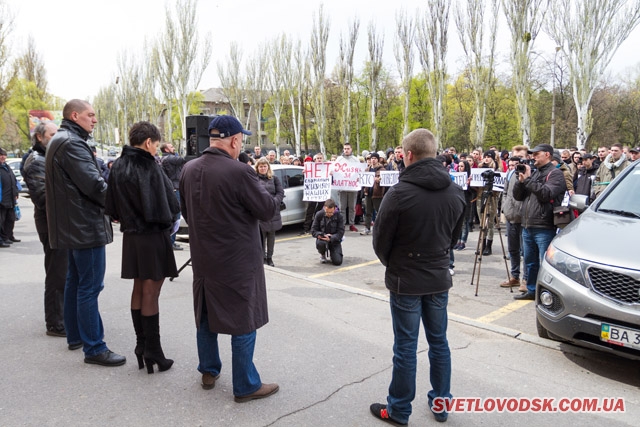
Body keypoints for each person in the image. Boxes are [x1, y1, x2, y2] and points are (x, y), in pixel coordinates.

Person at [180, 114, 279, 401]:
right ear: (235, 140)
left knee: (206, 316)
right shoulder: (239, 172)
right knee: (243, 320)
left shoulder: (189, 168)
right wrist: (272, 194)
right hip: (237, 262)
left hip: (204, 258)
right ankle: (246, 385)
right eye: (241, 140)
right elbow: (266, 210)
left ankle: (209, 370)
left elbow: (186, 212)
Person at [370, 129, 465, 425]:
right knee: (439, 342)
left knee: (406, 348)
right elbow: (455, 237)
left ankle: (399, 409)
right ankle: (440, 402)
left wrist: (395, 264)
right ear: (433, 154)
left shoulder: (399, 193)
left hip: (407, 279)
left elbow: (380, 241)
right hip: (436, 275)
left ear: (408, 155)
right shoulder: (455, 192)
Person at [45, 99, 125, 366]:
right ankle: (94, 348)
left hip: (73, 225)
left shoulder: (62, 139)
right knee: (89, 287)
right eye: (91, 115)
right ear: (75, 115)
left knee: (76, 282)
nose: (95, 119)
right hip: (84, 226)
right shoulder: (72, 143)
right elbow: (94, 185)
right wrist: (121, 204)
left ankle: (76, 336)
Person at [105, 122, 180, 374]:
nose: (157, 150)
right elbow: (168, 205)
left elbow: (111, 208)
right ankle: (153, 351)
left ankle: (141, 346)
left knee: (139, 288)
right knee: (152, 292)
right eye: (157, 145)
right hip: (151, 235)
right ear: (149, 142)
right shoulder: (149, 166)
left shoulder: (119, 165)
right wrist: (170, 221)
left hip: (132, 237)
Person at [23, 122, 68, 336]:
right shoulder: (36, 162)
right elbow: (42, 198)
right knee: (57, 272)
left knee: (63, 271)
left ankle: (63, 317)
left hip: (59, 222)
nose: (56, 137)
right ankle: (55, 323)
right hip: (51, 223)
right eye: (52, 134)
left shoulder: (49, 156)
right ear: (40, 137)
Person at [513, 143, 567, 300]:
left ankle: (546, 293)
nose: (533, 157)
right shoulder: (534, 173)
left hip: (544, 225)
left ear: (547, 155)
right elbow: (518, 196)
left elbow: (546, 194)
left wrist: (528, 180)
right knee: (530, 263)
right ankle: (531, 290)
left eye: (537, 154)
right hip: (527, 225)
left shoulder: (555, 174)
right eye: (532, 154)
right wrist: (521, 180)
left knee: (545, 264)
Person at [499, 146, 528, 292]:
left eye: (520, 158)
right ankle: (515, 276)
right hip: (511, 216)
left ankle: (526, 279)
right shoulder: (510, 174)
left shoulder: (530, 173)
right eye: (514, 158)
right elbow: (505, 192)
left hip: (525, 218)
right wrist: (505, 207)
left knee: (526, 251)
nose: (516, 162)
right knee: (513, 249)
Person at [254, 157, 285, 267]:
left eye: (265, 166)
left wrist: (274, 202)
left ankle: (270, 258)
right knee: (261, 237)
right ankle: (262, 257)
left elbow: (280, 192)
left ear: (268, 167)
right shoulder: (254, 179)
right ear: (257, 168)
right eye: (261, 166)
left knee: (271, 236)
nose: (263, 168)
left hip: (273, 211)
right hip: (261, 211)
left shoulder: (274, 178)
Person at [160, 142, 187, 251]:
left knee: (175, 216)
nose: (174, 148)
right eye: (171, 147)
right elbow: (184, 160)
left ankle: (171, 241)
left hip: (174, 189)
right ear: (166, 150)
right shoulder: (169, 159)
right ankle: (171, 242)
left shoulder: (166, 159)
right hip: (175, 190)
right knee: (176, 216)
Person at [311, 199, 345, 266]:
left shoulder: (339, 216)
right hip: (322, 239)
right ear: (324, 208)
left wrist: (331, 237)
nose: (329, 214)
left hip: (334, 240)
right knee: (320, 243)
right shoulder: (319, 214)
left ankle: (333, 254)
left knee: (338, 262)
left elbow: (341, 232)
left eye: (331, 212)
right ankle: (322, 254)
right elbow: (313, 230)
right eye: (327, 212)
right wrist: (321, 235)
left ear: (334, 209)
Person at [336, 142, 361, 232]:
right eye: (345, 148)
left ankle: (351, 224)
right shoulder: (339, 160)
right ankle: (342, 224)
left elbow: (359, 172)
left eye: (348, 148)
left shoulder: (355, 160)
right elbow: (334, 170)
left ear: (351, 149)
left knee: (352, 207)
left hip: (352, 187)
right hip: (342, 187)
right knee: (342, 207)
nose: (346, 150)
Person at [360, 152, 386, 235]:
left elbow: (385, 180)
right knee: (368, 212)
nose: (373, 160)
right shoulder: (367, 169)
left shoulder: (382, 169)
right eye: (372, 158)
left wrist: (379, 180)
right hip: (368, 193)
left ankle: (381, 228)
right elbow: (364, 180)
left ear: (378, 159)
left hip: (377, 194)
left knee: (379, 212)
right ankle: (367, 228)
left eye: (375, 158)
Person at [0, 147, 20, 247]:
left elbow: (14, 182)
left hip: (11, 199)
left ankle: (8, 236)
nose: (3, 157)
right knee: (1, 221)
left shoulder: (7, 167)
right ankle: (1, 239)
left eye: (4, 154)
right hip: (2, 200)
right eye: (1, 155)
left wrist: (16, 193)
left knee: (10, 219)